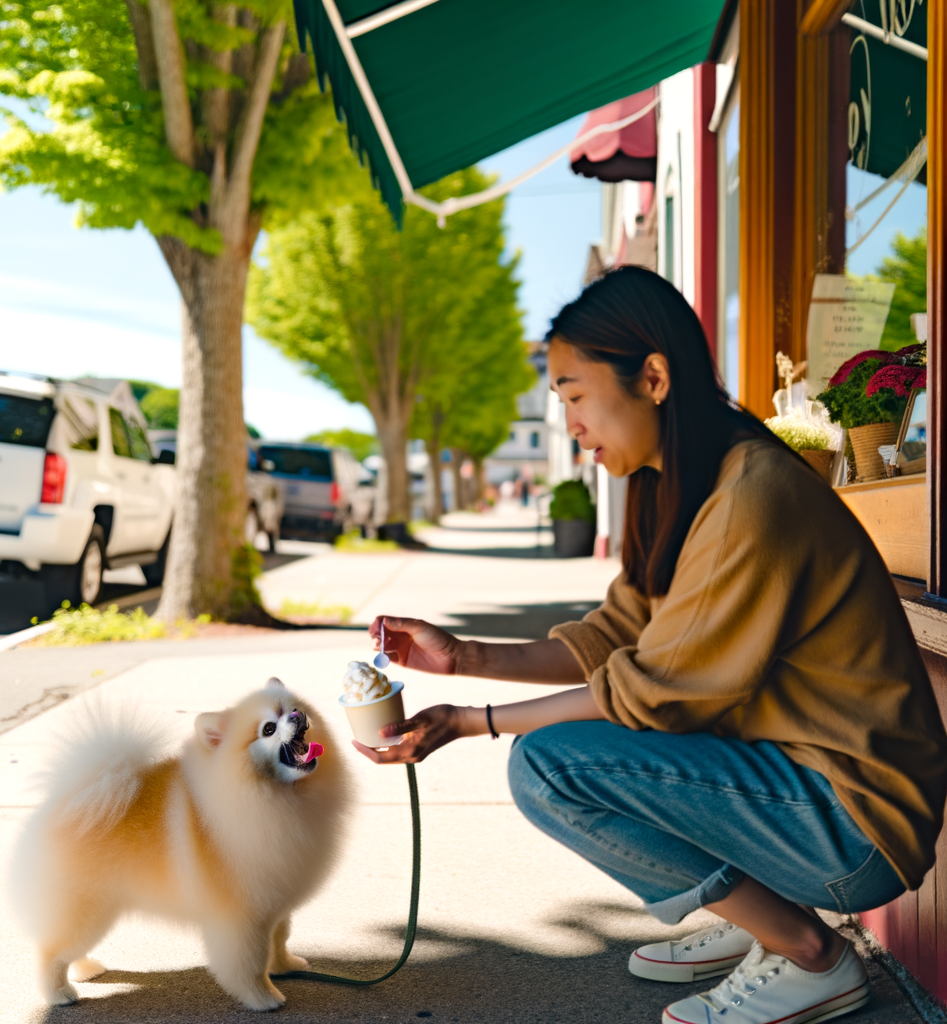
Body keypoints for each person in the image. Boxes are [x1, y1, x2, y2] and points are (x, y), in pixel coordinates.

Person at [359, 266, 947, 1024]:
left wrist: (475, 721)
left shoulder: (749, 496)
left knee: (548, 765)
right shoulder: (686, 483)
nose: (569, 423)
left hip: (855, 825)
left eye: (574, 395)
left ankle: (806, 952)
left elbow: (654, 691)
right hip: (804, 784)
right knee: (564, 747)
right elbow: (611, 640)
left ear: (654, 377)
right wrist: (464, 656)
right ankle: (761, 923)